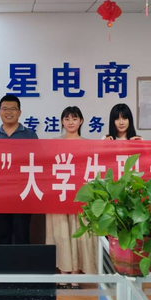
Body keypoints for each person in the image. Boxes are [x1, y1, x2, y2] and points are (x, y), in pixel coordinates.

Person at [46, 106, 97, 289]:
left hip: (80, 198)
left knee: (78, 234)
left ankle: (75, 274)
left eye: (74, 119)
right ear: (61, 121)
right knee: (60, 233)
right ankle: (63, 274)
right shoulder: (52, 144)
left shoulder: (89, 144)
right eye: (67, 119)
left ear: (81, 121)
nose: (70, 122)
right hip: (58, 196)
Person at [0, 95, 38, 244]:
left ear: (19, 112)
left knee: (22, 234)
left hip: (23, 192)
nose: (9, 112)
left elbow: (38, 162)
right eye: (5, 109)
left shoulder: (30, 135)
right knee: (2, 234)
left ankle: (23, 260)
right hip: (0, 193)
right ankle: (3, 260)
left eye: (13, 109)